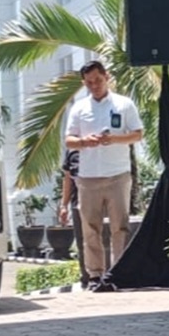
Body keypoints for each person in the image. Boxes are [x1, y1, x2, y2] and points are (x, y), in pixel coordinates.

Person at [64, 60, 143, 291]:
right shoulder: (78, 108)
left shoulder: (124, 104)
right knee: (91, 228)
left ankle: (118, 272)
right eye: (89, 83)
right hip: (88, 177)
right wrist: (84, 142)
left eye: (98, 80)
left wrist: (114, 139)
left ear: (106, 77)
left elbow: (137, 134)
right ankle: (95, 276)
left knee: (120, 226)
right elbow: (69, 141)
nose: (94, 86)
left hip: (118, 174)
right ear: (84, 83)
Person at [57, 149, 88, 285]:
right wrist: (64, 205)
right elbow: (67, 179)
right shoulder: (72, 150)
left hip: (102, 202)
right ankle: (86, 278)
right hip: (78, 203)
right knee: (82, 242)